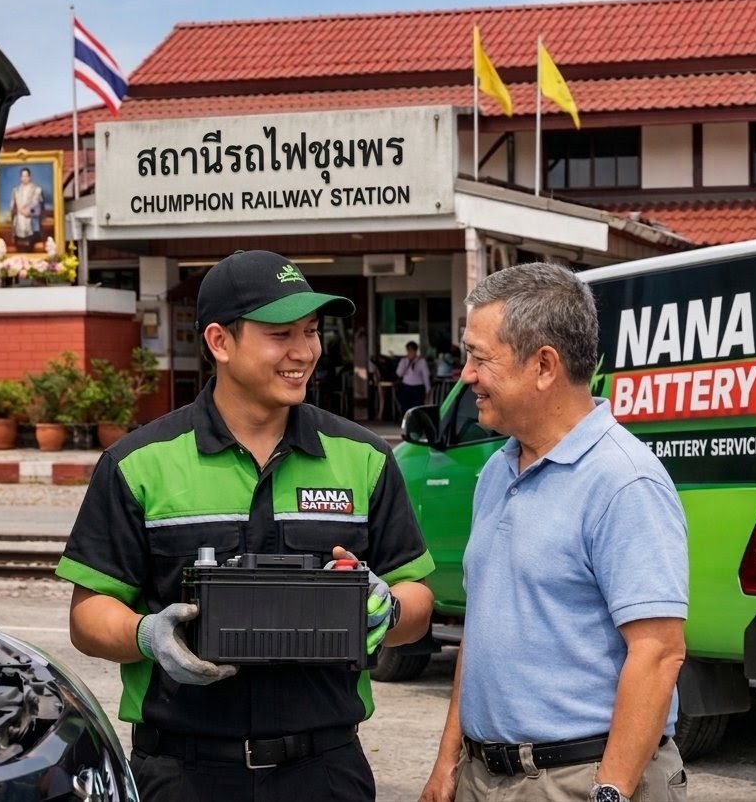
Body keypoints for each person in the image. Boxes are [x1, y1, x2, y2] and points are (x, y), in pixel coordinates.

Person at [57, 249, 435, 802]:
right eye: (281, 334)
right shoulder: (140, 464)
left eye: (311, 331)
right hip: (183, 773)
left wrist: (390, 610)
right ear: (219, 342)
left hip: (324, 773)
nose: (305, 352)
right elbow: (87, 616)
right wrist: (147, 635)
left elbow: (417, 599)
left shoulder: (366, 459)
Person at [419, 262, 689, 802]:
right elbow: (485, 627)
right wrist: (449, 762)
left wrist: (609, 792)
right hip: (483, 776)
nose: (465, 374)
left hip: (579, 780)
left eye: (480, 357)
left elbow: (658, 653)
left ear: (544, 365)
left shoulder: (624, 480)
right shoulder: (497, 471)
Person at [8, 166, 44, 251]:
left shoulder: (36, 189)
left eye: (26, 176)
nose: (24, 178)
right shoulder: (15, 190)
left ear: (29, 177)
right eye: (22, 176)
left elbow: (39, 207)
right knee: (18, 246)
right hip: (19, 222)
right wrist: (17, 211)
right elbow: (12, 206)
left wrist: (29, 212)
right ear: (20, 177)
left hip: (32, 222)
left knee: (32, 246)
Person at [394, 340, 430, 417]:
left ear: (415, 351)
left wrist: (427, 390)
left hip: (418, 387)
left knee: (417, 407)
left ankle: (416, 423)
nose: (410, 353)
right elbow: (399, 373)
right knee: (406, 406)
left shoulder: (421, 361)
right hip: (406, 386)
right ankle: (406, 422)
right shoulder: (404, 361)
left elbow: (426, 376)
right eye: (409, 350)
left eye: (412, 350)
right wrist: (406, 363)